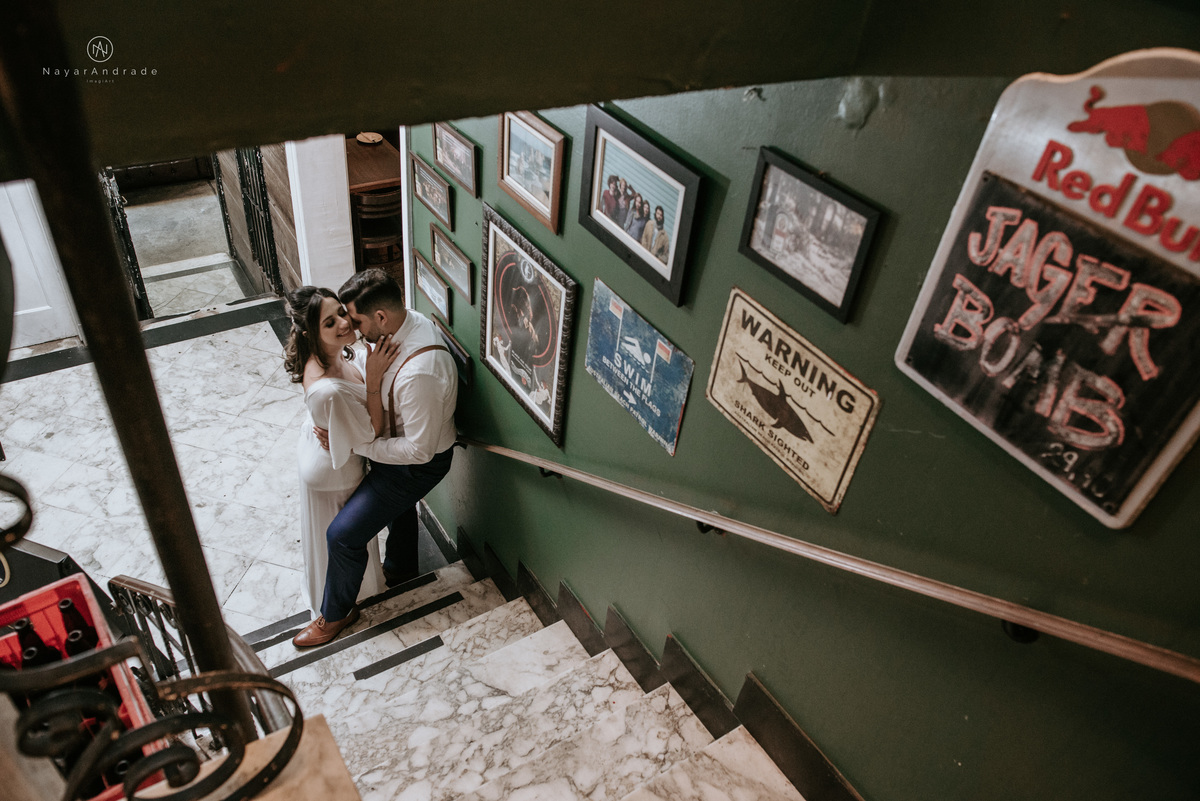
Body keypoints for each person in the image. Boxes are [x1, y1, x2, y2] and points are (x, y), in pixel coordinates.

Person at [292, 269, 459, 647]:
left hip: (415, 463)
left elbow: (419, 450)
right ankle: (401, 569)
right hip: (392, 446)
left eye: (354, 319)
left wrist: (355, 445)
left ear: (380, 318)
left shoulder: (420, 373)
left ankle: (335, 615)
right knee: (399, 510)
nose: (350, 327)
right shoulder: (401, 324)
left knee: (343, 535)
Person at [283, 287, 399, 620]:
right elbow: (371, 431)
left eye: (342, 314)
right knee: (342, 541)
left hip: (321, 450)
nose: (344, 324)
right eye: (329, 322)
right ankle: (342, 605)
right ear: (310, 333)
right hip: (334, 472)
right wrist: (374, 379)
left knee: (332, 540)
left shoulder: (330, 355)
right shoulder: (329, 390)